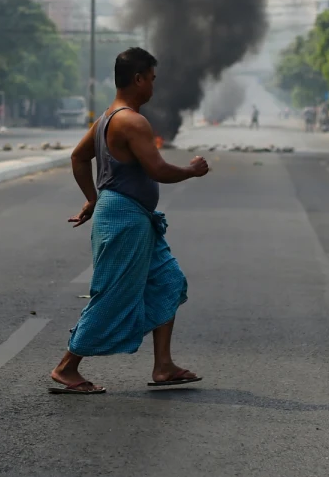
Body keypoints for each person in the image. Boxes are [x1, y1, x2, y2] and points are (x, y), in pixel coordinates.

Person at [50, 48, 210, 395]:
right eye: (152, 79)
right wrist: (192, 170)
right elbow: (158, 170)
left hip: (132, 216)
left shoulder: (108, 118)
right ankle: (66, 368)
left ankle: (164, 366)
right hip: (124, 220)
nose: (153, 86)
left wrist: (94, 199)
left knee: (168, 281)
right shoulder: (131, 121)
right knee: (112, 294)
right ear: (138, 79)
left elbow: (79, 157)